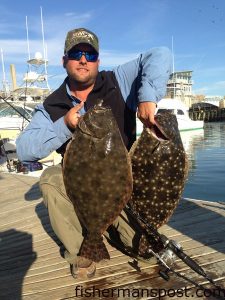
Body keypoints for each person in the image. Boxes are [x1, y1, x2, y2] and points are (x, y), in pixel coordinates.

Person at [16, 28, 172, 279]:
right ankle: (82, 250)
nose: (83, 59)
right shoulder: (52, 106)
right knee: (50, 180)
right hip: (84, 191)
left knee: (142, 248)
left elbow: (160, 54)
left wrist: (147, 98)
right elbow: (24, 150)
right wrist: (64, 125)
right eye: (76, 53)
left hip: (123, 189)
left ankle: (108, 229)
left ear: (98, 61)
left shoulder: (118, 81)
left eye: (90, 54)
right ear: (64, 60)